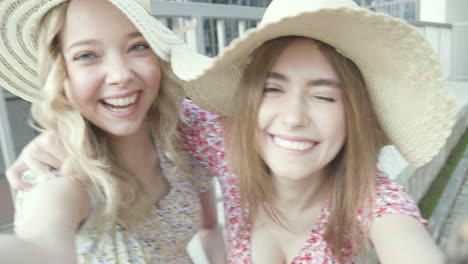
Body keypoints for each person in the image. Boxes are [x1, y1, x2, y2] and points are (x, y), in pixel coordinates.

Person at [5, 0, 455, 263]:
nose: (294, 117)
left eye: (324, 95)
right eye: (273, 89)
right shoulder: (224, 139)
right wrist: (60, 134)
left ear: (354, 113)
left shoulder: (370, 196)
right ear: (248, 101)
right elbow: (41, 241)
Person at [0, 0, 225, 263]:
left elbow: (209, 227)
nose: (120, 75)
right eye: (86, 55)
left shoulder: (182, 133)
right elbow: (39, 243)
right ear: (59, 74)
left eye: (137, 47)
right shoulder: (58, 172)